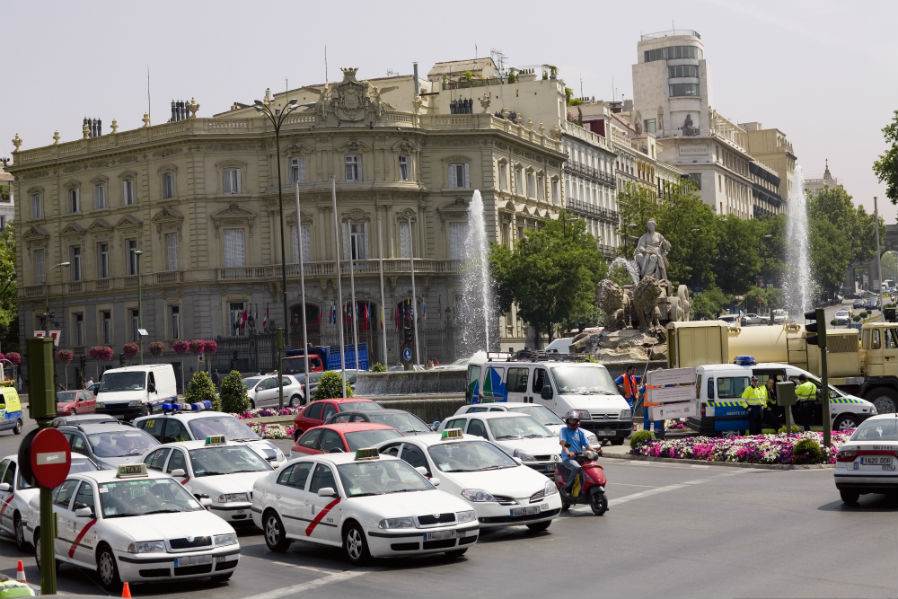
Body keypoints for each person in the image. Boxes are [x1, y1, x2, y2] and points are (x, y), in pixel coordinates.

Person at [558, 410, 590, 495]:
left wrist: (595, 450)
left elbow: (587, 445)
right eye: (571, 420)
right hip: (568, 458)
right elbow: (564, 444)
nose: (572, 422)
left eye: (574, 420)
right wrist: (568, 452)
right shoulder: (564, 431)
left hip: (580, 457)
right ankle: (567, 488)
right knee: (577, 468)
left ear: (578, 421)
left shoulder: (580, 432)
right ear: (567, 421)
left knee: (589, 467)